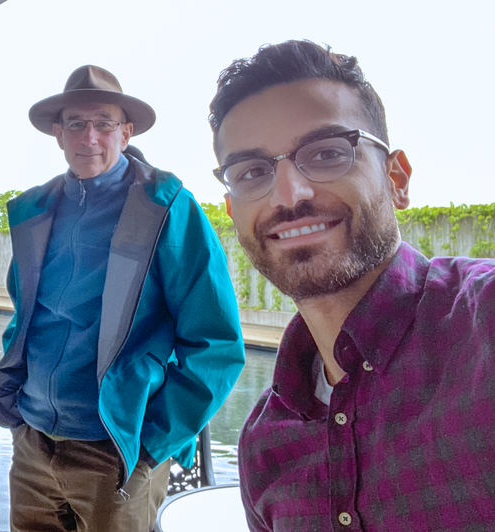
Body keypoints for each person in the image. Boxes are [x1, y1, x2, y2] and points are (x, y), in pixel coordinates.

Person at [209, 40, 495, 531]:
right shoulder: (263, 442)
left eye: (326, 153)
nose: (289, 195)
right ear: (235, 213)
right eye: (252, 172)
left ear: (396, 178)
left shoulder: (483, 325)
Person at [0, 65, 244, 532]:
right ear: (58, 133)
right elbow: (25, 316)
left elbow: (216, 343)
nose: (90, 137)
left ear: (126, 131)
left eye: (103, 123)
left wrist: (151, 444)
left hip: (117, 450)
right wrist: (19, 412)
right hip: (34, 443)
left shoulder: (167, 207)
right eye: (76, 124)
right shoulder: (35, 210)